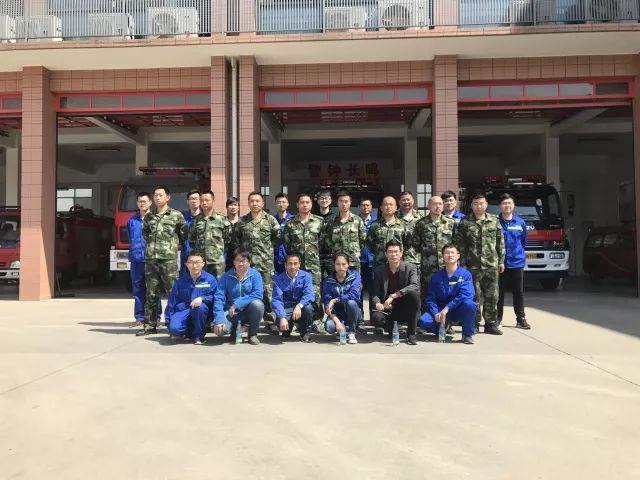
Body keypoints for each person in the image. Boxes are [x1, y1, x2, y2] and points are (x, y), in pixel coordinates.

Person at [136, 186, 187, 336]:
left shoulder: (176, 215)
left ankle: (174, 324)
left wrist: (169, 246)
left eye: (160, 195)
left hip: (168, 260)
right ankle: (150, 325)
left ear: (168, 198)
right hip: (152, 260)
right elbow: (145, 234)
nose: (158, 198)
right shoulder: (149, 216)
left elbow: (183, 235)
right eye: (156, 195)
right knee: (151, 293)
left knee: (173, 292)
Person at [454, 192, 505, 335]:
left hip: (491, 264)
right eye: (475, 204)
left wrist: (501, 261)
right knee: (473, 295)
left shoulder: (494, 220)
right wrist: (462, 263)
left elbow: (500, 242)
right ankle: (474, 323)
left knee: (492, 296)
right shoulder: (465, 222)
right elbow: (460, 245)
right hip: (472, 265)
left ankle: (490, 324)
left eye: (481, 203)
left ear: (486, 205)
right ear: (471, 206)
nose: (479, 206)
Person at [232, 192, 280, 332]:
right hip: (246, 265)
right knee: (245, 292)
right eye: (252, 201)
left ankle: (270, 321)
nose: (255, 203)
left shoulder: (270, 220)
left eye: (257, 201)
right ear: (248, 203)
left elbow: (277, 239)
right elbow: (236, 241)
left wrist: (266, 251)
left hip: (265, 264)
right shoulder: (242, 221)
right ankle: (246, 321)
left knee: (267, 292)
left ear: (262, 203)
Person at [282, 193, 325, 332]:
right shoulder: (290, 223)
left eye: (307, 202)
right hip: (296, 266)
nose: (305, 205)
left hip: (313, 265)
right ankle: (299, 321)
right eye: (302, 202)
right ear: (297, 204)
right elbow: (287, 243)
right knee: (296, 292)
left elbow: (324, 242)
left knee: (316, 294)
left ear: (311, 204)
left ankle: (316, 321)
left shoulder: (319, 222)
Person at [418, 244, 476, 344]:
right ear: (443, 256)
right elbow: (430, 299)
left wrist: (448, 307)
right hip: (441, 311)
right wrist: (435, 313)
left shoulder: (465, 274)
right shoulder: (436, 277)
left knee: (470, 304)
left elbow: (466, 294)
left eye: (452, 252)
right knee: (424, 321)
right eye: (447, 253)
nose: (450, 255)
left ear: (458, 256)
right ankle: (442, 327)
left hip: (458, 309)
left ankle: (467, 335)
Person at [370, 240, 420, 345]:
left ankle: (411, 334)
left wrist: (394, 296)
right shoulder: (379, 271)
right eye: (390, 252)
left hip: (404, 307)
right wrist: (378, 303)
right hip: (388, 308)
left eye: (396, 252)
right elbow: (374, 293)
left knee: (414, 295)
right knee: (376, 318)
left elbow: (414, 285)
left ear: (401, 253)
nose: (393, 254)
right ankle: (393, 328)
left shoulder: (410, 268)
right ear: (386, 254)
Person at [213, 250, 264, 345]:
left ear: (249, 262)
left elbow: (258, 294)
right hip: (231, 312)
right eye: (238, 260)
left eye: (244, 261)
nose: (240, 264)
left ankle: (252, 334)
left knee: (258, 304)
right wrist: (219, 319)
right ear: (234, 262)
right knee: (219, 331)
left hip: (248, 311)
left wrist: (237, 304)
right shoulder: (226, 276)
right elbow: (219, 298)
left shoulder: (255, 275)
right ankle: (235, 331)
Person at [166, 251, 217, 345]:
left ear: (203, 264)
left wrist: (202, 299)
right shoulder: (180, 282)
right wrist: (169, 323)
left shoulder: (210, 279)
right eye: (191, 262)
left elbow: (215, 297)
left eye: (197, 262)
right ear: (186, 264)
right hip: (184, 310)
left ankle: (199, 336)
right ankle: (189, 331)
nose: (194, 266)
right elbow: (171, 303)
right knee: (174, 329)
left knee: (200, 307)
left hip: (202, 311)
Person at [127, 191, 161, 327]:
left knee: (153, 289)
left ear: (150, 203)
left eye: (145, 201)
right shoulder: (132, 221)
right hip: (137, 260)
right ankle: (140, 318)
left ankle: (156, 317)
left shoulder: (156, 219)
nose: (142, 204)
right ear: (137, 203)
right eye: (140, 202)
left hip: (152, 259)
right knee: (138, 290)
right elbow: (130, 238)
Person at [497, 193, 531, 329]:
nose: (507, 205)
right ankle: (497, 319)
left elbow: (523, 241)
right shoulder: (495, 222)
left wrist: (518, 254)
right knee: (498, 293)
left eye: (509, 203)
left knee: (518, 292)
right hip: (500, 264)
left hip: (517, 262)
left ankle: (520, 319)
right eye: (504, 203)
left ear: (514, 205)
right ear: (500, 206)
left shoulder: (520, 222)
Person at [412, 195, 456, 298]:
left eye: (440, 204)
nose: (438, 206)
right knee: (428, 296)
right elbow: (416, 245)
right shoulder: (421, 224)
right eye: (435, 204)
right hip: (428, 268)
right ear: (429, 206)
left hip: (447, 267)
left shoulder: (451, 223)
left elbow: (456, 244)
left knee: (448, 294)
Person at [271, 254, 315, 342]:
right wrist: (282, 317)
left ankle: (304, 332)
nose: (293, 266)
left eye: (295, 263)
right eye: (290, 264)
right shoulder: (279, 279)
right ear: (285, 265)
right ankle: (287, 328)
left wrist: (299, 305)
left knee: (308, 308)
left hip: (301, 308)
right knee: (281, 324)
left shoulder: (306, 276)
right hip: (287, 308)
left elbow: (309, 294)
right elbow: (276, 300)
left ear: (299, 264)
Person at [188, 190, 231, 278]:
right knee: (202, 284)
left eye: (207, 200)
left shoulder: (222, 219)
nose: (204, 203)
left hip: (217, 262)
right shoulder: (196, 220)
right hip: (201, 262)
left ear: (213, 201)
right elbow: (192, 240)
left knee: (218, 284)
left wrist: (218, 251)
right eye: (202, 200)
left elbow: (227, 239)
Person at [322, 253, 362, 344]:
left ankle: (352, 332)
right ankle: (341, 329)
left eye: (344, 264)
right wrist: (338, 323)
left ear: (348, 264)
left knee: (351, 302)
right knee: (329, 326)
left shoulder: (355, 276)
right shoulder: (328, 280)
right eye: (338, 264)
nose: (341, 267)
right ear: (334, 265)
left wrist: (336, 300)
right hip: (337, 314)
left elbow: (354, 295)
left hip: (352, 312)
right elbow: (327, 304)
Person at [320, 191, 365, 272]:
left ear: (350, 203)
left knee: (354, 280)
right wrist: (335, 249)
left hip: (353, 263)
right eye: (341, 201)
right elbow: (327, 241)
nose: (343, 204)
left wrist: (354, 252)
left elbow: (362, 241)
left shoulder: (357, 220)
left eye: (346, 201)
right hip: (337, 263)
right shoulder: (331, 222)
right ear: (337, 203)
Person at [366, 196, 408, 268]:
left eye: (391, 204)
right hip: (379, 264)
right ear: (381, 208)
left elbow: (407, 244)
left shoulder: (403, 225)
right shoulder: (375, 225)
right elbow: (370, 244)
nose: (388, 207)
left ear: (396, 208)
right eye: (386, 204)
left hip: (397, 265)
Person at [397, 191, 423, 276]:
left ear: (413, 201)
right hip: (396, 260)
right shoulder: (393, 216)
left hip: (416, 260)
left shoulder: (420, 217)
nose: (406, 202)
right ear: (399, 202)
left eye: (408, 199)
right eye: (403, 200)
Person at [359, 198, 376, 314]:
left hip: (372, 261)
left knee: (373, 290)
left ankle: (373, 316)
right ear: (359, 207)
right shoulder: (355, 221)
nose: (365, 207)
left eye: (368, 205)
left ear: (371, 207)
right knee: (358, 289)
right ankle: (360, 316)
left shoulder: (376, 223)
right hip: (358, 261)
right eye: (363, 205)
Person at [315, 189, 334, 280]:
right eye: (321, 198)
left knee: (333, 281)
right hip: (316, 256)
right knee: (317, 282)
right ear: (318, 201)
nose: (324, 200)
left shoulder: (335, 218)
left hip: (332, 256)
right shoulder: (313, 218)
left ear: (330, 200)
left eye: (326, 198)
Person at [180, 190, 201, 273]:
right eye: (192, 199)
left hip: (201, 257)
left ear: (200, 200)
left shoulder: (205, 218)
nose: (194, 201)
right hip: (186, 256)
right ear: (187, 201)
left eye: (196, 198)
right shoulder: (182, 218)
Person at [273, 193, 294, 274]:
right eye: (278, 202)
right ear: (275, 204)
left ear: (288, 203)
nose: (281, 204)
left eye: (283, 202)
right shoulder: (271, 220)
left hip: (290, 258)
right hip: (275, 258)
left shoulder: (294, 220)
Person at [225, 196, 240, 271]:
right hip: (225, 257)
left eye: (235, 205)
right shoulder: (222, 222)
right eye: (230, 205)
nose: (233, 207)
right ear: (227, 207)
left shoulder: (244, 222)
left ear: (238, 207)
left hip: (240, 257)